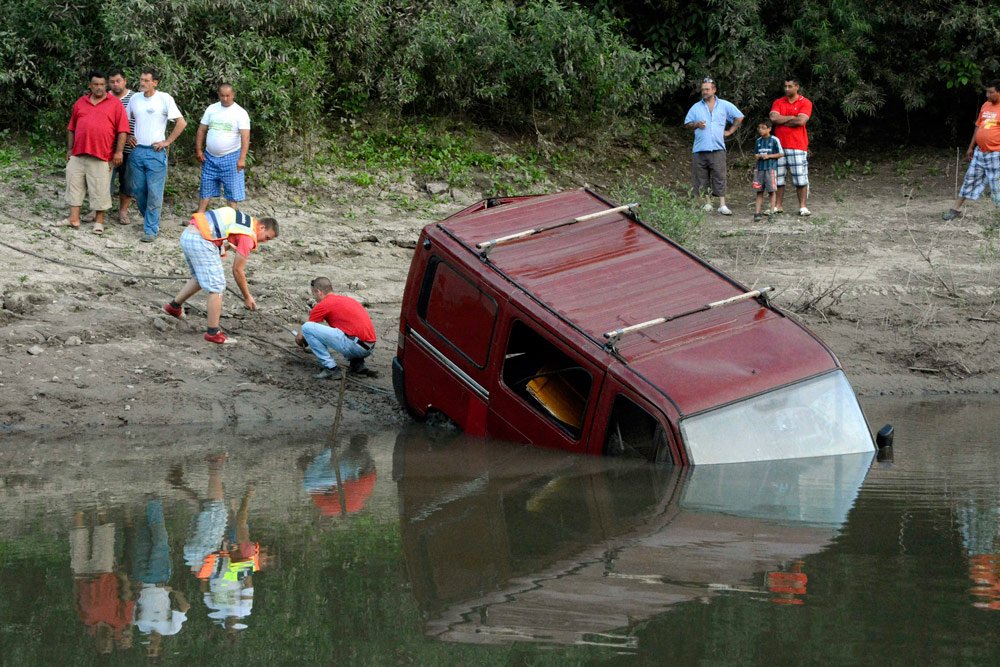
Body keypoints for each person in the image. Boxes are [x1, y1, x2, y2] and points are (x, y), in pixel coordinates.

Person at [162, 207, 278, 344]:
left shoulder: (245, 220)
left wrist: (226, 246)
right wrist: (247, 297)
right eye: (267, 238)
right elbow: (237, 270)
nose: (264, 242)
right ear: (262, 227)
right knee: (217, 286)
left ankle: (173, 307)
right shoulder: (249, 236)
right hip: (201, 240)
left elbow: (219, 232)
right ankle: (213, 332)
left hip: (188, 235)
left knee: (202, 277)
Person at [64, 71, 129, 234]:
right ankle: (74, 219)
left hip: (102, 155)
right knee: (74, 186)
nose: (99, 88)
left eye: (101, 84)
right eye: (95, 84)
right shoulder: (81, 102)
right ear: (90, 85)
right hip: (78, 154)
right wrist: (70, 149)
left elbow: (122, 131)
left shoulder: (115, 104)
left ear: (105, 85)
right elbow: (71, 128)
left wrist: (119, 152)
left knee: (100, 190)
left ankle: (99, 223)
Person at [125, 68, 186, 242]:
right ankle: (151, 220)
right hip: (137, 151)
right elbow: (124, 118)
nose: (142, 83)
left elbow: (181, 122)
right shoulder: (135, 98)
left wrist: (167, 142)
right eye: (141, 79)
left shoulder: (164, 99)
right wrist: (129, 135)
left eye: (146, 80)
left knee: (155, 192)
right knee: (138, 190)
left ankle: (151, 228)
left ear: (155, 82)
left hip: (155, 151)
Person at [70, 510, 135, 654]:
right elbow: (126, 597)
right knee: (104, 534)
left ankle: (79, 510)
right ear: (112, 641)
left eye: (102, 645)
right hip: (105, 573)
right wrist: (123, 578)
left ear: (96, 643)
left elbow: (76, 601)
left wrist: (74, 580)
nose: (105, 642)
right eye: (108, 645)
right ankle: (101, 509)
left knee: (78, 536)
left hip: (82, 575)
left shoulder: (88, 622)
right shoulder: (120, 622)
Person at [296, 277, 377, 380]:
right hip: (369, 346)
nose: (314, 297)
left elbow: (305, 333)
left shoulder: (323, 305)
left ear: (318, 292)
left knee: (307, 327)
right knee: (348, 330)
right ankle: (357, 365)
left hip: (357, 347)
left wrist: (299, 340)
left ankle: (330, 368)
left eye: (314, 294)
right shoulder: (346, 299)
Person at [683, 77, 743, 215]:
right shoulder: (696, 107)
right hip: (699, 148)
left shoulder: (724, 105)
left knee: (719, 176)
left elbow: (739, 117)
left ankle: (722, 205)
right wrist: (696, 124)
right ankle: (707, 203)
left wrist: (730, 131)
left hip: (718, 147)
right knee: (701, 177)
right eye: (703, 89)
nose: (704, 92)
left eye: (707, 89)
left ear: (714, 90)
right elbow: (687, 124)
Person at [943, 80, 1000, 220]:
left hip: (996, 154)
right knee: (970, 179)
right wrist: (971, 147)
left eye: (991, 92)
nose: (987, 95)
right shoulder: (986, 105)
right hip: (980, 153)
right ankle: (955, 209)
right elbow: (978, 126)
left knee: (997, 185)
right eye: (986, 91)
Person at [195, 84, 251, 215]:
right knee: (205, 187)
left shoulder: (240, 112)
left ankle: (233, 219)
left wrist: (242, 158)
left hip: (231, 156)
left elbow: (245, 136)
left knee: (232, 191)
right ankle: (199, 216)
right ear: (218, 95)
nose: (225, 98)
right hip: (210, 156)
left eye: (228, 96)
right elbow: (202, 129)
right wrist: (198, 150)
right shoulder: (211, 109)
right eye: (222, 96)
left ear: (233, 95)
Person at [769, 77, 813, 216]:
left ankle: (803, 207)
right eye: (785, 86)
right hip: (778, 146)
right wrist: (791, 117)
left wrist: (783, 118)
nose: (787, 89)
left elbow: (801, 121)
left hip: (797, 145)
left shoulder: (805, 102)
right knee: (778, 177)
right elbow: (774, 119)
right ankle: (778, 206)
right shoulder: (778, 102)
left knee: (800, 177)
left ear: (797, 87)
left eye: (790, 86)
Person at [752, 120, 783, 222]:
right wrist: (758, 156)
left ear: (769, 129)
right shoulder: (758, 141)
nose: (760, 130)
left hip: (771, 169)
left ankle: (771, 213)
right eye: (759, 128)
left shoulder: (774, 140)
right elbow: (755, 154)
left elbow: (781, 153)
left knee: (771, 191)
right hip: (759, 169)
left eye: (763, 128)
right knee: (759, 191)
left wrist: (769, 156)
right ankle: (757, 213)